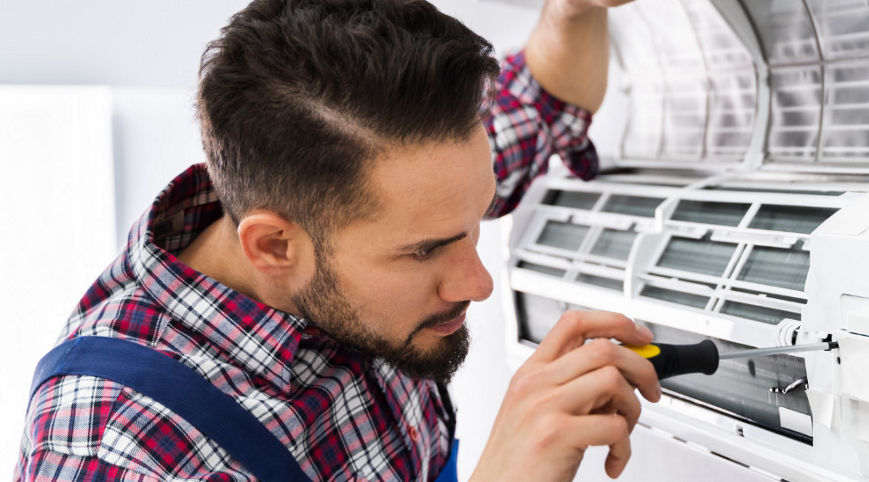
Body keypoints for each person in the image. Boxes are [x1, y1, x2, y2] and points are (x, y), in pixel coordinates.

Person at [14, 0, 661, 480]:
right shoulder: (116, 448)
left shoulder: (409, 180)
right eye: (426, 250)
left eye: (478, 219)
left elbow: (544, 100)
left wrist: (575, 10)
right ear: (273, 248)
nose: (479, 282)